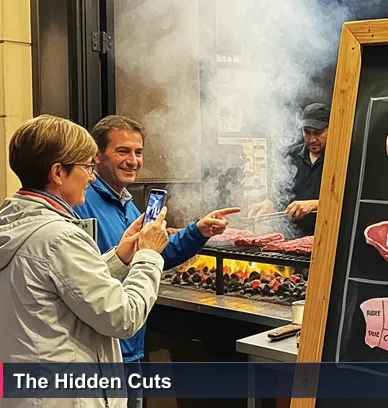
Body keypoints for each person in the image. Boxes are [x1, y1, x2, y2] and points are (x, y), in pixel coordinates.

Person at [0, 115, 169, 408]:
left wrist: (120, 256)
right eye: (86, 167)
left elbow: (65, 286)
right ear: (57, 173)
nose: (91, 177)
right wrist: (148, 255)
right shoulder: (59, 237)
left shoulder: (15, 223)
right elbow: (123, 317)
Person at [72, 115, 240, 408]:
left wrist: (197, 231)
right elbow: (91, 277)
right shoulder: (83, 203)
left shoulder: (125, 202)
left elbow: (153, 254)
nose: (133, 161)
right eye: (122, 151)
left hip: (132, 345)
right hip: (104, 352)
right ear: (96, 157)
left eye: (138, 152)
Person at [249, 103, 329, 237]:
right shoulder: (290, 156)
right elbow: (281, 193)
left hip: (326, 237)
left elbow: (347, 202)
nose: (311, 139)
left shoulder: (341, 160)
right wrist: (269, 203)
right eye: (307, 132)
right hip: (291, 237)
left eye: (318, 133)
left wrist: (315, 204)